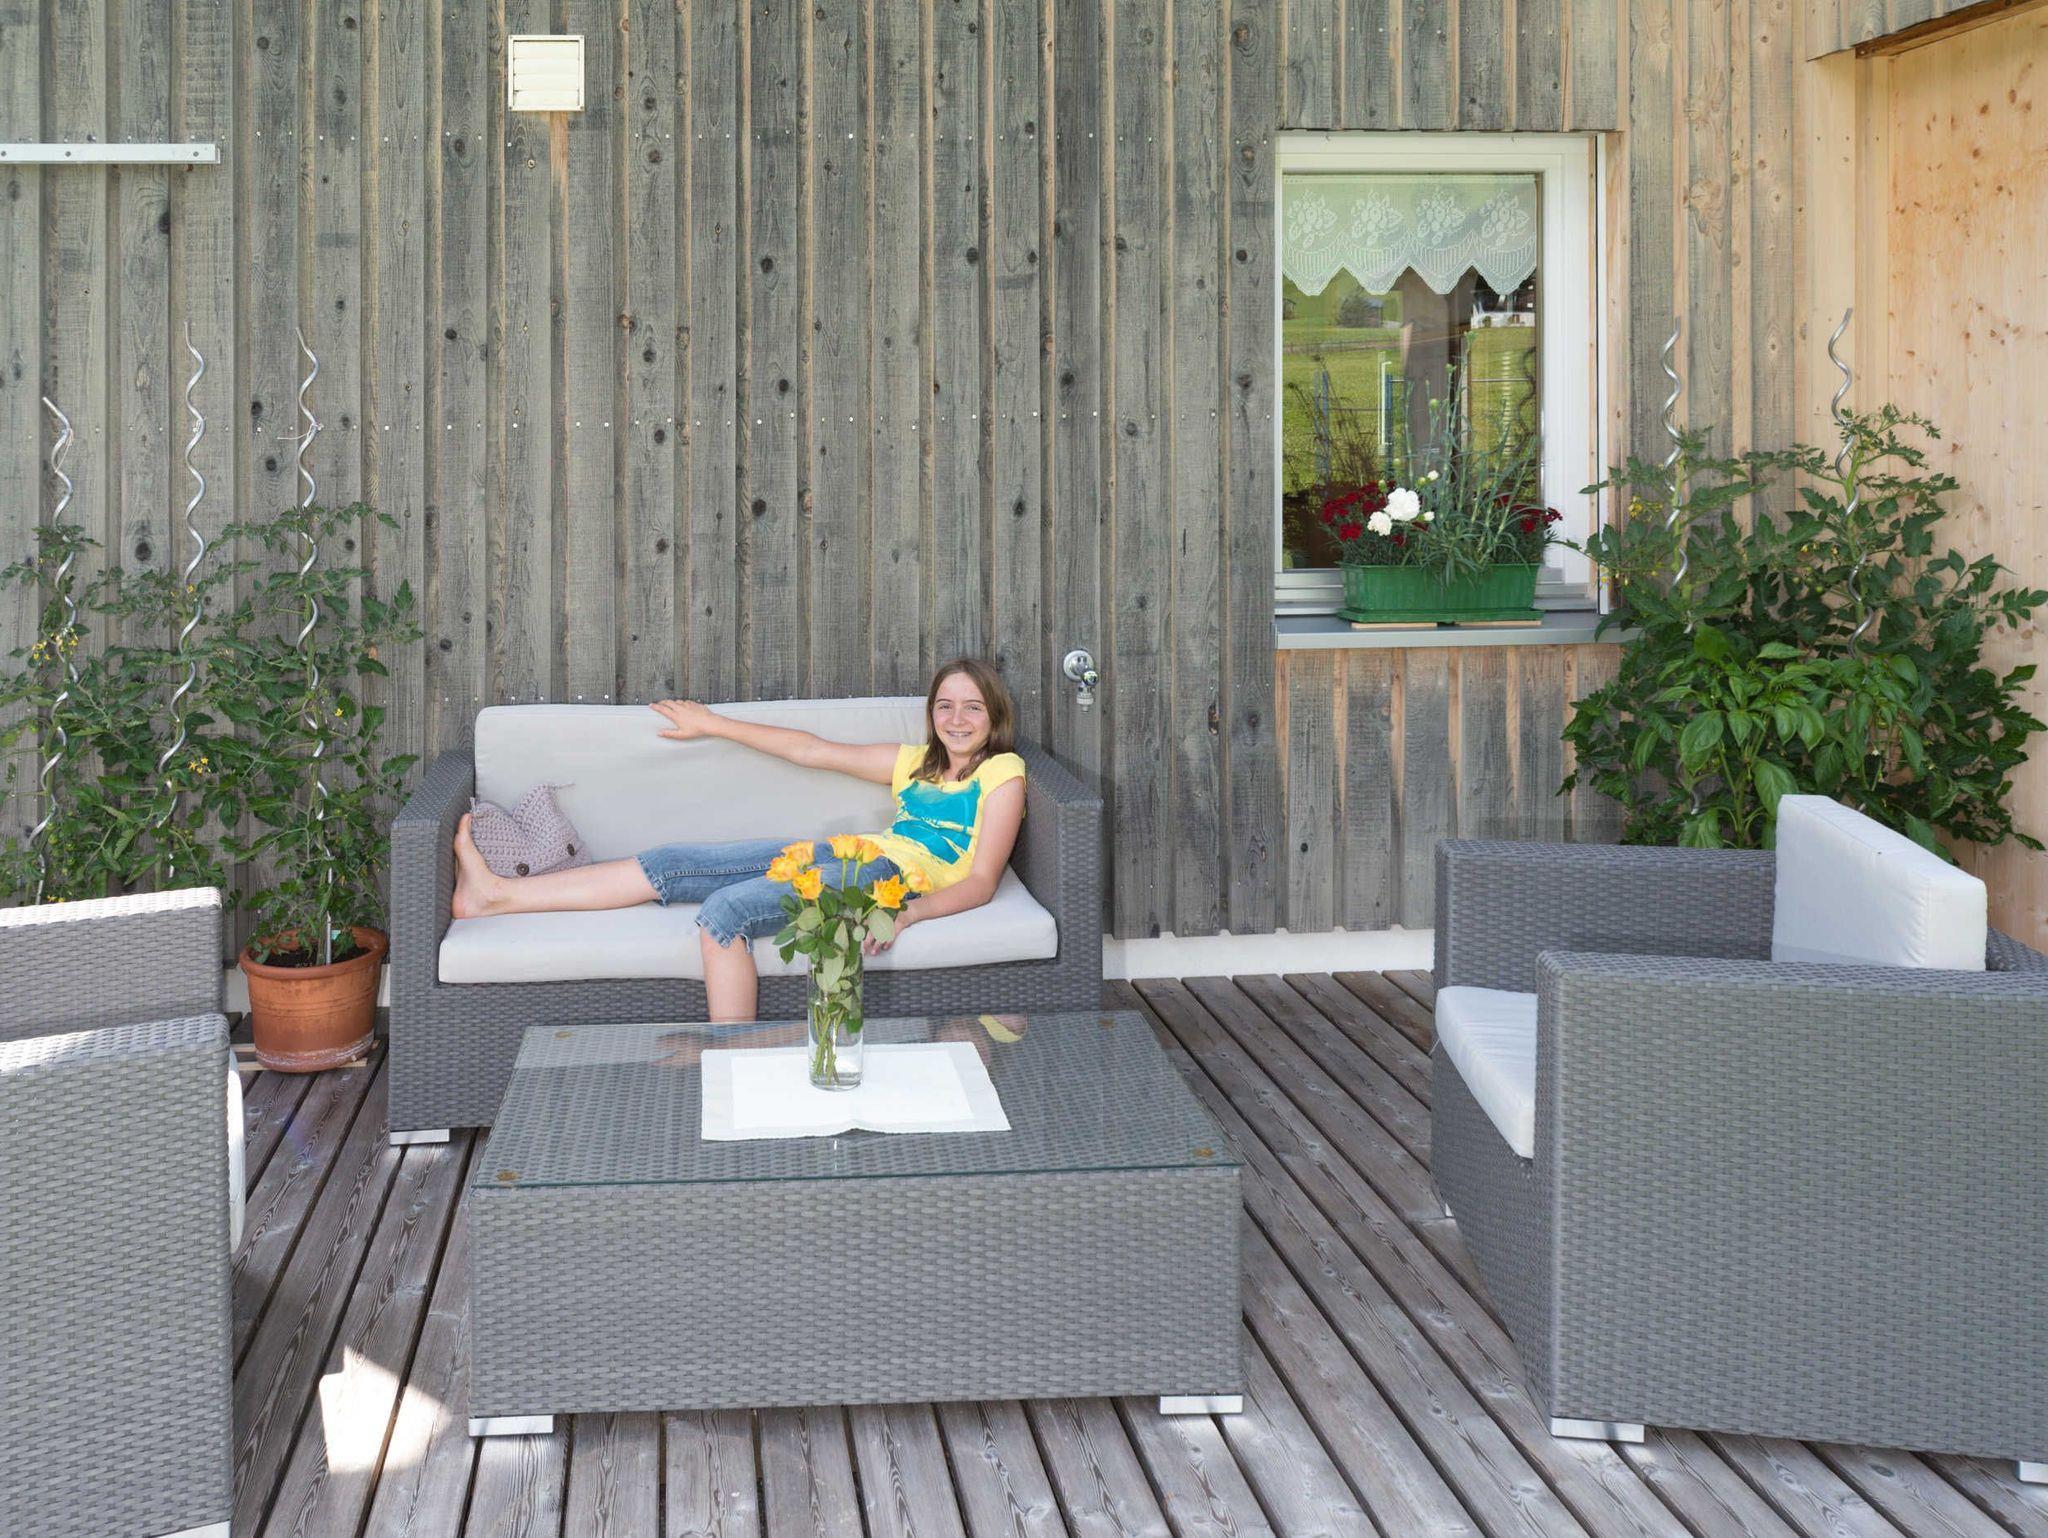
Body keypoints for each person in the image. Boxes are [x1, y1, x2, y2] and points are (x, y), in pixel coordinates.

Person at [450, 657, 1027, 1022]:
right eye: (945, 706)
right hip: (850, 852)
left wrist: (906, 914)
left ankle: (733, 1066)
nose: (956, 719)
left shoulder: (1003, 772)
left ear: (993, 715)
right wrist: (713, 724)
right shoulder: (916, 764)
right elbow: (811, 750)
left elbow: (981, 880)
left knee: (726, 912)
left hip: (886, 881)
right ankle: (496, 894)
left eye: (971, 707)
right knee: (673, 862)